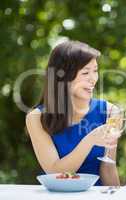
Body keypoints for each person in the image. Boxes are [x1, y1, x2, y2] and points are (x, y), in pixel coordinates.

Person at [26, 41, 120, 186]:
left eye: (95, 70)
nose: (93, 79)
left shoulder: (110, 112)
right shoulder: (36, 117)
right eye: (85, 72)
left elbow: (108, 168)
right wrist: (90, 140)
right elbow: (55, 173)